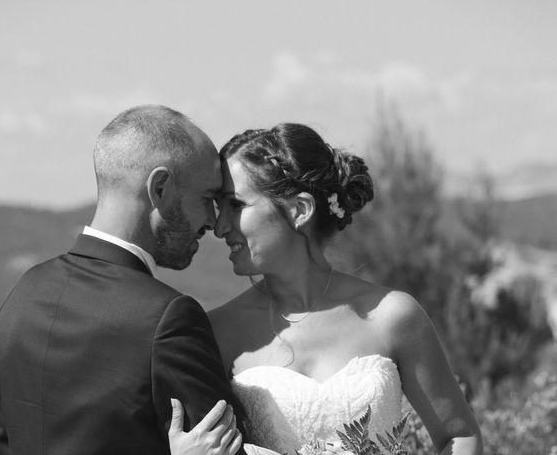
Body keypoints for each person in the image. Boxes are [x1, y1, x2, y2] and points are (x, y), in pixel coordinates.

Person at [204, 123, 483, 454]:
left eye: (235, 205)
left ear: (299, 210)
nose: (220, 227)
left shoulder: (393, 315)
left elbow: (459, 436)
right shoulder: (217, 331)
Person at [0, 105, 245, 455]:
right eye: (207, 199)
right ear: (161, 188)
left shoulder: (22, 295)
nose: (213, 222)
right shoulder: (168, 320)